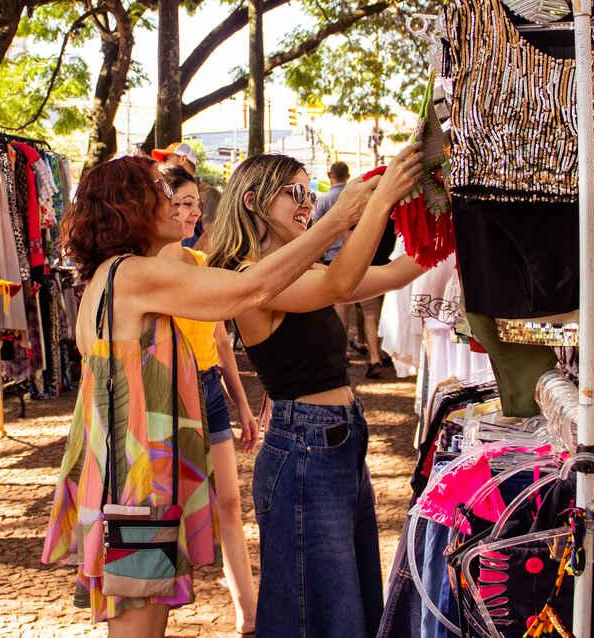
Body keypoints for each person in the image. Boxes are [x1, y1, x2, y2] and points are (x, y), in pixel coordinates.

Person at [42, 154, 381, 637]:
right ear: (128, 209)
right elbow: (248, 289)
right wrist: (339, 220)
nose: (175, 205)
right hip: (137, 489)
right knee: (138, 623)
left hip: (128, 480)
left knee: (144, 616)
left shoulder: (111, 276)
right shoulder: (132, 274)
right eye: (159, 194)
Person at [206, 147, 425, 637]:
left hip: (339, 446)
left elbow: (391, 274)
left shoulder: (296, 271)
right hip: (305, 450)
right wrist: (379, 200)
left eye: (310, 192)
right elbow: (345, 279)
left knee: (348, 603)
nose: (307, 203)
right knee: (318, 613)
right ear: (252, 201)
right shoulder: (248, 278)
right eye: (296, 193)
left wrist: (447, 228)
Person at [158, 163, 260, 635]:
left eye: (195, 204)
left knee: (229, 502)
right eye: (181, 204)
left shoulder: (201, 265)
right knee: (164, 507)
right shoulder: (146, 272)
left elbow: (221, 341)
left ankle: (249, 610)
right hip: (167, 396)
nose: (191, 212)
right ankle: (152, 606)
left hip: (210, 387)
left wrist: (241, 402)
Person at [314, 161, 395, 378]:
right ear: (347, 174)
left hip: (336, 262)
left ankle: (342, 356)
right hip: (367, 263)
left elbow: (316, 230)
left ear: (329, 174)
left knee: (342, 312)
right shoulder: (372, 204)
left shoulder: (326, 201)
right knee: (370, 314)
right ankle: (374, 357)